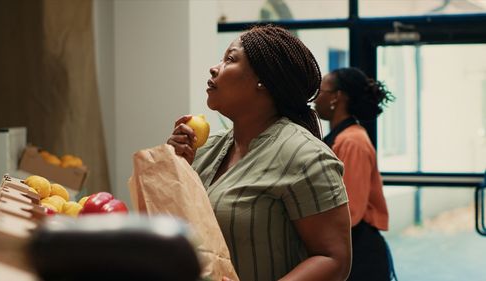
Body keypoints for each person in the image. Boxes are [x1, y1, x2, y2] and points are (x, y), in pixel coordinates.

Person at [167, 25, 352, 281]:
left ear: (263, 81)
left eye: (230, 59)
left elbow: (334, 259)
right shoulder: (206, 148)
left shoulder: (304, 155)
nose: (214, 68)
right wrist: (175, 168)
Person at [314, 67, 396, 281]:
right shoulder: (341, 137)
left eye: (320, 91)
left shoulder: (352, 141)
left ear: (337, 97)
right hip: (348, 245)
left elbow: (350, 211)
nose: (315, 99)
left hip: (360, 252)